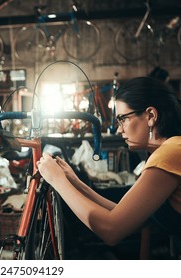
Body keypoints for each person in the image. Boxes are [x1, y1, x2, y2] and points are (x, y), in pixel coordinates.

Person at [37, 77, 181, 254]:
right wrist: (75, 182)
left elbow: (111, 230)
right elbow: (124, 214)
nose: (120, 129)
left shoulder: (170, 153)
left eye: (123, 119)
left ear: (150, 116)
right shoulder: (170, 150)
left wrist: (58, 181)